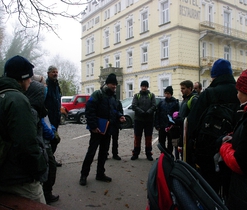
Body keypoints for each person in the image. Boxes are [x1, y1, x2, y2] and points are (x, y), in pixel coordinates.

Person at [187, 59, 239, 195]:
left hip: (209, 150)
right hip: (235, 150)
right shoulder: (240, 93)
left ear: (214, 75)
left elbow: (193, 122)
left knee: (209, 190)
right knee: (230, 191)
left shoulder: (209, 93)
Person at [0, 55, 48, 203]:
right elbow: (26, 143)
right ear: (22, 78)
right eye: (29, 78)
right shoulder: (18, 100)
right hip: (20, 179)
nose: (30, 81)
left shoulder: (3, 96)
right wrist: (40, 167)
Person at [79, 73, 125, 186]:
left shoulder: (113, 97)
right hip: (97, 130)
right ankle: (83, 175)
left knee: (103, 153)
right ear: (107, 83)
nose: (114, 86)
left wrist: (119, 116)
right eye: (112, 84)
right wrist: (93, 127)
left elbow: (114, 110)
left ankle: (100, 174)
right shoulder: (97, 94)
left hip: (108, 130)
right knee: (91, 152)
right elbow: (89, 110)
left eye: (115, 84)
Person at [219, 69, 247, 209]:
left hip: (242, 194)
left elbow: (240, 162)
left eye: (239, 91)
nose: (237, 95)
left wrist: (225, 147)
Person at [131, 81, 156, 161]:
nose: (144, 87)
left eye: (145, 86)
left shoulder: (151, 95)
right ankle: (135, 153)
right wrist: (141, 112)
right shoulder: (136, 95)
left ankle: (148, 153)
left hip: (149, 120)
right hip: (138, 120)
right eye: (142, 86)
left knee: (148, 138)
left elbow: (154, 105)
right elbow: (134, 106)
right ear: (140, 87)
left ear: (147, 87)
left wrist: (148, 112)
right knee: (137, 137)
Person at [44, 65, 62, 167]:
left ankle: (51, 159)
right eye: (53, 72)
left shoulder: (57, 86)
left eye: (56, 72)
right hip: (48, 118)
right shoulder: (46, 86)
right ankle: (48, 161)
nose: (55, 74)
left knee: (55, 140)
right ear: (48, 73)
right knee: (49, 140)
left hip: (56, 117)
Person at [154, 86, 179, 153]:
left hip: (171, 126)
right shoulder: (161, 102)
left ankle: (169, 155)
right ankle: (162, 155)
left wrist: (174, 124)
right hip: (162, 126)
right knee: (161, 141)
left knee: (170, 142)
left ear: (171, 94)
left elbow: (177, 115)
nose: (167, 95)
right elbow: (157, 114)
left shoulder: (175, 103)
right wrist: (157, 125)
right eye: (165, 93)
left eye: (168, 93)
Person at [177, 80, 198, 162]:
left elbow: (193, 118)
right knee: (182, 155)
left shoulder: (194, 99)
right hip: (182, 131)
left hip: (189, 134)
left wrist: (181, 120)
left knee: (188, 157)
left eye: (183, 88)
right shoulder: (185, 99)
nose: (181, 90)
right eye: (181, 88)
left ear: (190, 88)